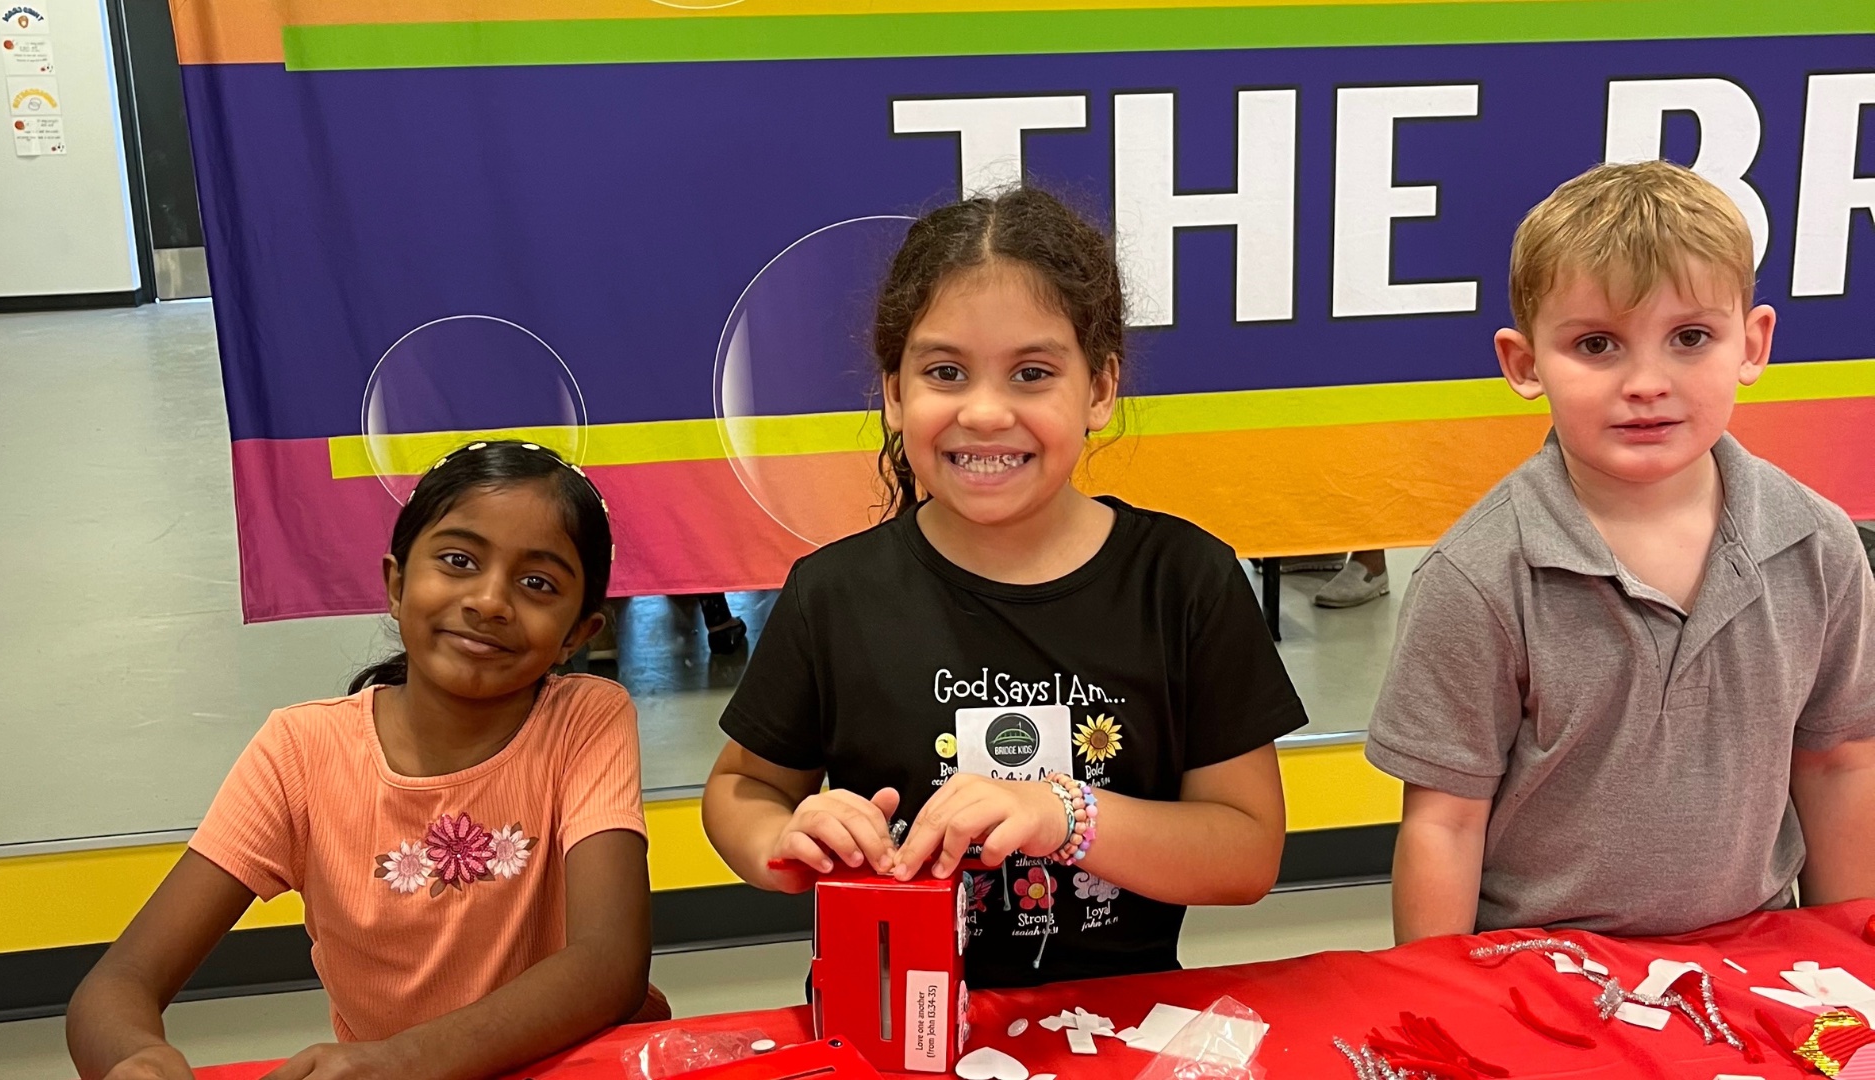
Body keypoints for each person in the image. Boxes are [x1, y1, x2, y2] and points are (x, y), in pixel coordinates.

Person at [700, 187, 1308, 988]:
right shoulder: (833, 595)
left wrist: (1065, 816)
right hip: (885, 1022)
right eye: (945, 372)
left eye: (1031, 373)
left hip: (1118, 1021)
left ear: (1099, 390)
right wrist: (779, 840)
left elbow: (1247, 853)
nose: (985, 413)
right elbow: (742, 787)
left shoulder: (1183, 581)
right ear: (895, 393)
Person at [1369, 161, 1875, 943]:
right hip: (1542, 962)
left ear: (1753, 344)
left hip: (1753, 950)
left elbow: (1837, 763)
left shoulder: (1818, 545)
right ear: (1524, 364)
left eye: (1690, 338)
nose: (1646, 382)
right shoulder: (1478, 576)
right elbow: (1446, 824)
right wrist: (1442, 996)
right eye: (1597, 344)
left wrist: (1849, 958)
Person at [68, 441, 657, 1080]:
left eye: (537, 583)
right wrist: (135, 1057)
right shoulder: (299, 751)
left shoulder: (584, 719)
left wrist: (400, 1061)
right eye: (458, 560)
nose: (489, 601)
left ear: (577, 634)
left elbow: (609, 965)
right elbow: (117, 983)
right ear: (396, 585)